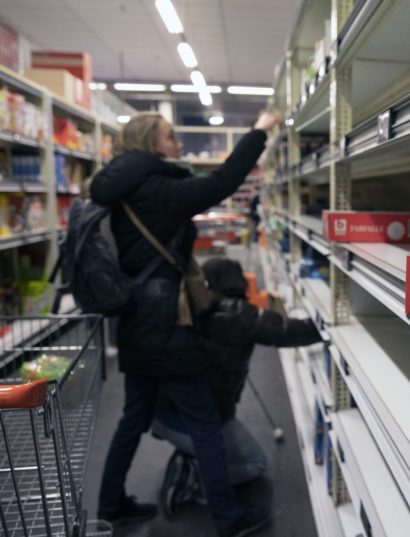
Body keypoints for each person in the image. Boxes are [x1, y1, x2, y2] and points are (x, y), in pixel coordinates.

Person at [91, 110, 281, 537]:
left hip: (135, 321)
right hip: (167, 326)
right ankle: (229, 521)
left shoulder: (121, 188)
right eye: (171, 136)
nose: (179, 143)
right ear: (151, 143)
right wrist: (259, 131)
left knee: (132, 419)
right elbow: (222, 182)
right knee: (205, 424)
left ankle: (109, 506)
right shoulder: (156, 189)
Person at [151, 257, 322, 515]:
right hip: (197, 421)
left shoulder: (189, 307)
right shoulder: (238, 313)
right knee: (254, 463)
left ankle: (189, 456)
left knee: (224, 440)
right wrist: (326, 326)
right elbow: (286, 330)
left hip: (162, 413)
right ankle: (196, 474)